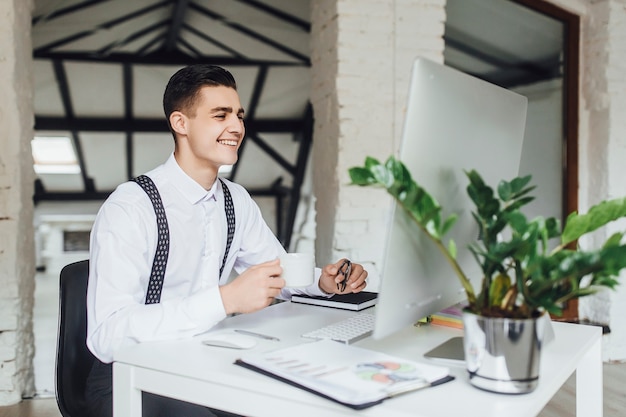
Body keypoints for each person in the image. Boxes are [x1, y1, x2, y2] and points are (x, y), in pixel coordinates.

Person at [84, 64, 368, 417]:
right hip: (129, 374)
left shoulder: (236, 200)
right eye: (220, 115)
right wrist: (225, 299)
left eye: (238, 115)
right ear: (180, 123)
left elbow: (276, 272)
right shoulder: (131, 206)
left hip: (204, 358)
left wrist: (322, 282)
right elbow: (107, 336)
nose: (236, 127)